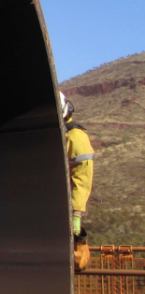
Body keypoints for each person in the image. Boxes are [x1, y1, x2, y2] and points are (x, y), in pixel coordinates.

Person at [60, 91, 94, 271]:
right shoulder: (65, 137)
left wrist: (77, 212)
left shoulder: (76, 138)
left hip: (66, 208)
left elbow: (82, 176)